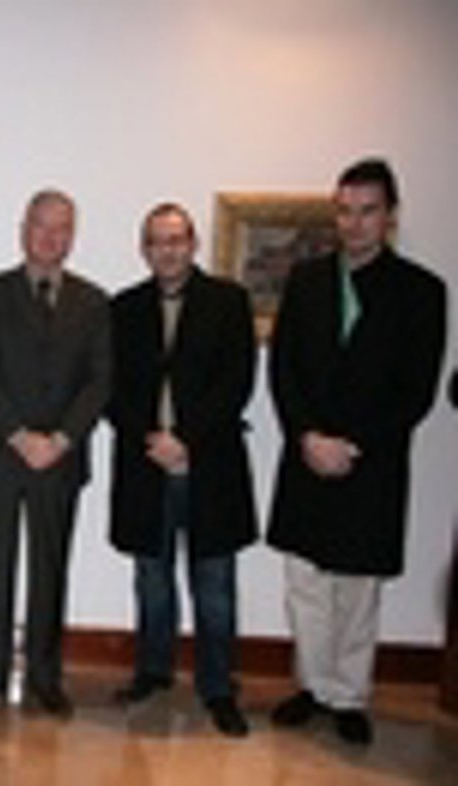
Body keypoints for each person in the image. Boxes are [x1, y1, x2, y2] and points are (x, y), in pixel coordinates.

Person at [267, 158, 447, 746]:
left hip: (371, 463)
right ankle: (311, 686)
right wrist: (307, 437)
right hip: (307, 455)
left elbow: (416, 391)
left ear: (390, 215)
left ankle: (348, 695)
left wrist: (353, 445)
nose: (354, 223)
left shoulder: (422, 291)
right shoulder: (306, 280)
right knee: (306, 585)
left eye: (367, 211)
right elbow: (284, 370)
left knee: (356, 589)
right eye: (344, 211)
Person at [107, 203, 256, 737]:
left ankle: (218, 688)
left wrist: (187, 439)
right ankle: (153, 671)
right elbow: (111, 388)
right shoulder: (123, 308)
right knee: (152, 578)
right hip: (146, 464)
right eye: (156, 241)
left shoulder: (228, 302)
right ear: (144, 250)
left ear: (193, 245)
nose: (167, 250)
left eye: (176, 240)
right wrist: (152, 440)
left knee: (214, 583)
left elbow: (236, 382)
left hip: (209, 464)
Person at [0, 190, 111, 716]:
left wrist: (62, 439)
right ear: (23, 229)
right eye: (42, 225)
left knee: (51, 568)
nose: (51, 237)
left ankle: (46, 676)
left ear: (73, 236)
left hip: (62, 459)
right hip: (1, 454)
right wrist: (19, 436)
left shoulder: (93, 301)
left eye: (62, 227)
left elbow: (100, 381)